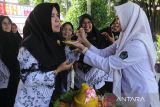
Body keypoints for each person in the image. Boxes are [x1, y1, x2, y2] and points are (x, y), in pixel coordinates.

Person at [69, 1, 160, 107]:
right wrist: (84, 41)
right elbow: (102, 53)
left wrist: (83, 49)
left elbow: (108, 64)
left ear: (129, 18)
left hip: (143, 94)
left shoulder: (137, 45)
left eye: (119, 17)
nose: (117, 21)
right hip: (130, 91)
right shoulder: (124, 38)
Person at [14, 3, 73, 107]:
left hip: (49, 99)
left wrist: (79, 49)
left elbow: (64, 61)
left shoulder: (54, 40)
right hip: (30, 101)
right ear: (42, 19)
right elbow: (27, 78)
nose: (57, 19)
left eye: (57, 15)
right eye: (52, 16)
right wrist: (57, 71)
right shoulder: (29, 45)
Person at [73, 14, 113, 94]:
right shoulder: (75, 38)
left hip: (96, 77)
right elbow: (71, 56)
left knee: (97, 101)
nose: (86, 25)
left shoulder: (100, 37)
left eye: (89, 22)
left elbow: (102, 54)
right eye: (84, 23)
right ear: (80, 24)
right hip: (80, 77)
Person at [0, 16, 21, 107]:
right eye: (4, 23)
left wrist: (16, 34)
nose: (7, 25)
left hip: (15, 73)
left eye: (9, 23)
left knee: (14, 96)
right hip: (3, 75)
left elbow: (21, 47)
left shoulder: (14, 36)